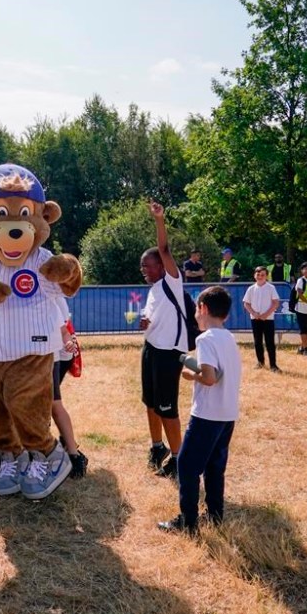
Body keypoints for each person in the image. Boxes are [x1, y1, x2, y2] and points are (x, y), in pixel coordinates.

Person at [158, 286, 242, 534]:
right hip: (227, 414)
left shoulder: (204, 339)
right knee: (215, 467)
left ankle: (188, 521)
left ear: (203, 309)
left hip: (206, 415)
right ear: (225, 315)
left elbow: (209, 377)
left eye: (196, 309)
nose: (195, 314)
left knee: (186, 465)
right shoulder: (229, 337)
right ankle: (215, 516)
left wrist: (189, 373)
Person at [138, 200, 187, 478]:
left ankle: (179, 459)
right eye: (142, 267)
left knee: (167, 407)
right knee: (151, 402)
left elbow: (164, 249)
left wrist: (159, 220)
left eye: (148, 266)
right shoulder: (155, 289)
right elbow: (151, 314)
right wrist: (145, 320)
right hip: (151, 349)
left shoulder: (172, 280)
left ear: (162, 266)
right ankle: (158, 447)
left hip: (170, 352)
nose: (144, 270)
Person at [51, 297, 88, 477]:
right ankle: (68, 448)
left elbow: (63, 328)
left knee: (52, 404)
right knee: (50, 405)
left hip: (56, 355)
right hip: (56, 354)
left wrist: (67, 343)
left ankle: (73, 454)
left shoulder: (50, 295)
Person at [243, 266, 281, 371]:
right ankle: (260, 362)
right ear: (255, 275)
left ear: (266, 276)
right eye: (258, 274)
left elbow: (275, 302)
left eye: (262, 275)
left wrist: (266, 314)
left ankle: (273, 365)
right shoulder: (251, 289)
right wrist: (254, 313)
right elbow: (246, 303)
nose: (260, 277)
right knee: (257, 341)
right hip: (255, 319)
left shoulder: (271, 288)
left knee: (270, 342)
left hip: (268, 319)